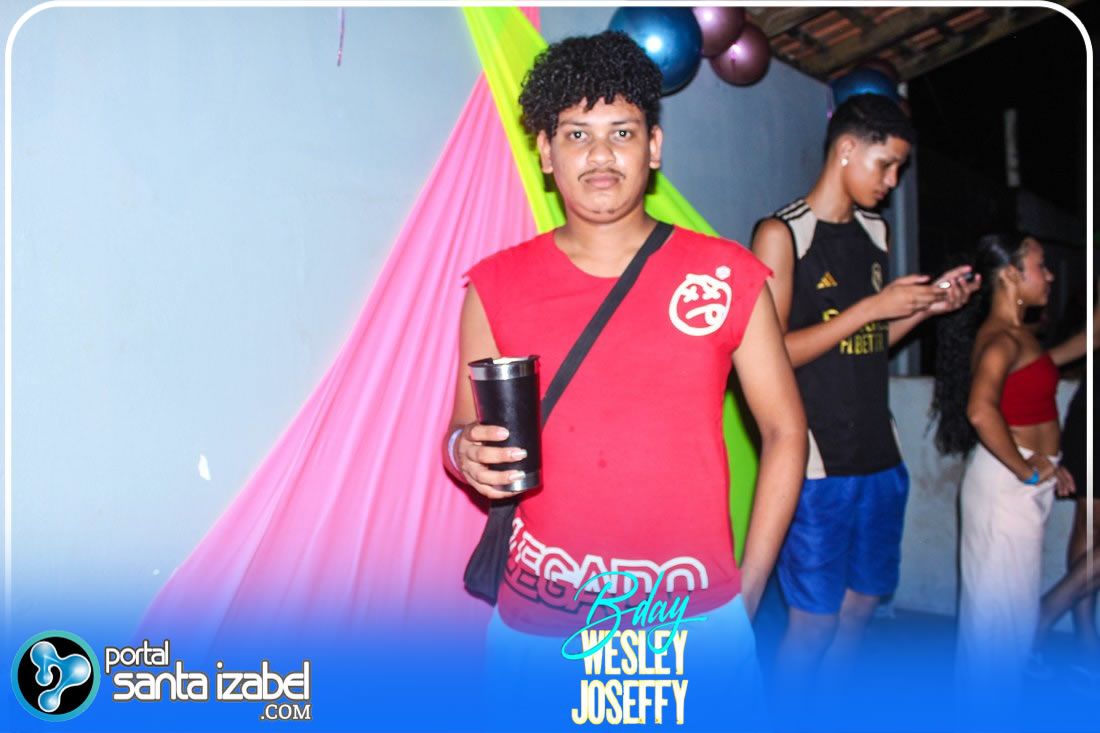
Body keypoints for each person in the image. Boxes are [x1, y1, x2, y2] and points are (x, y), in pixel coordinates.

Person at [441, 31, 807, 724]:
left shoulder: (727, 275)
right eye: (577, 134)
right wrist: (464, 451)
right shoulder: (495, 286)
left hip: (692, 624)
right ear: (546, 152)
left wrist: (748, 591)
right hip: (542, 625)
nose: (601, 154)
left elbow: (787, 430)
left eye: (623, 132)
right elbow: (461, 430)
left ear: (654, 148)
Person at [750, 93, 978, 698]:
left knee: (859, 608)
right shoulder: (781, 233)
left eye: (899, 168)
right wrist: (873, 307)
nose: (893, 181)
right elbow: (772, 353)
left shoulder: (875, 230)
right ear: (847, 149)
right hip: (817, 462)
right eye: (887, 164)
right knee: (813, 625)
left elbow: (868, 341)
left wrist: (924, 308)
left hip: (881, 456)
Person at [931, 232, 1085, 704]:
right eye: (1041, 266)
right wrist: (1025, 469)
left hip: (1017, 486)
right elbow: (981, 411)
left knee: (1009, 628)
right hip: (1005, 487)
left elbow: (1033, 395)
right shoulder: (1001, 338)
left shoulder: (1018, 336)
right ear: (1012, 275)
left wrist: (1047, 466)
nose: (1050, 275)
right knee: (997, 634)